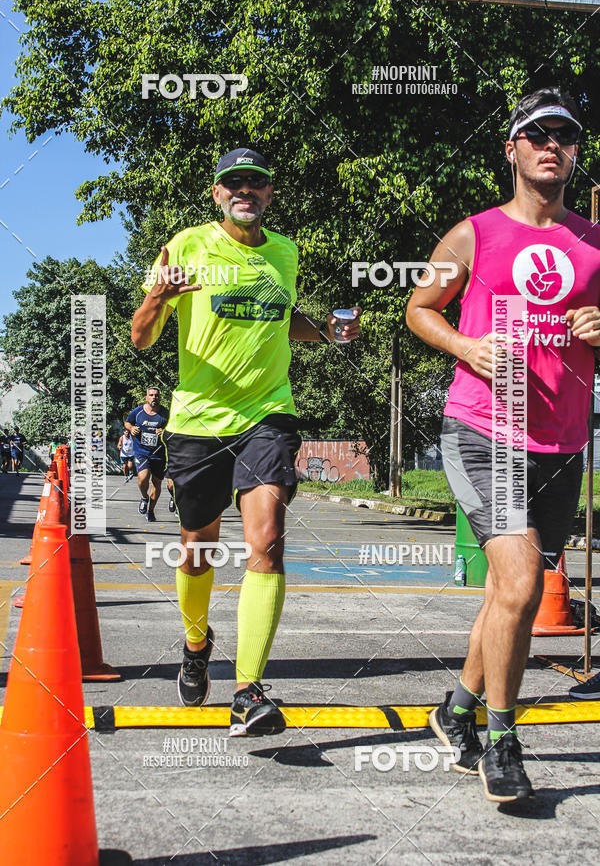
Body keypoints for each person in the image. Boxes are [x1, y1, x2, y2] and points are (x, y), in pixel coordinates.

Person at [406, 87, 600, 802]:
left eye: (567, 135)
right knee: (520, 585)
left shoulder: (594, 242)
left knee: (504, 595)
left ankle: (455, 710)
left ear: (575, 152)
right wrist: (465, 345)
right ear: (512, 148)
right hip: (484, 428)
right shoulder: (474, 234)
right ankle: (503, 740)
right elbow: (417, 308)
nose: (553, 144)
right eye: (538, 133)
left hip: (562, 440)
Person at [132, 147, 361, 736]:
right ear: (217, 195)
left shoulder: (285, 253)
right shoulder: (185, 245)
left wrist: (330, 333)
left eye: (256, 182)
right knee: (196, 546)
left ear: (269, 193)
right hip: (198, 419)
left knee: (268, 542)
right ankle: (194, 642)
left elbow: (287, 318)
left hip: (268, 414)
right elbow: (141, 337)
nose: (245, 191)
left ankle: (248, 690)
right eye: (233, 183)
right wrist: (159, 296)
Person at [124, 388, 169, 521]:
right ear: (146, 397)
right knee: (143, 478)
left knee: (156, 483)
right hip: (142, 452)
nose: (153, 397)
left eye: (156, 395)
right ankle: (144, 497)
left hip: (159, 453)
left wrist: (165, 431)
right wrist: (131, 428)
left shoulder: (165, 413)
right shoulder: (138, 412)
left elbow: (174, 428)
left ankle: (151, 510)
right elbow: (127, 422)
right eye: (151, 395)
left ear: (160, 398)